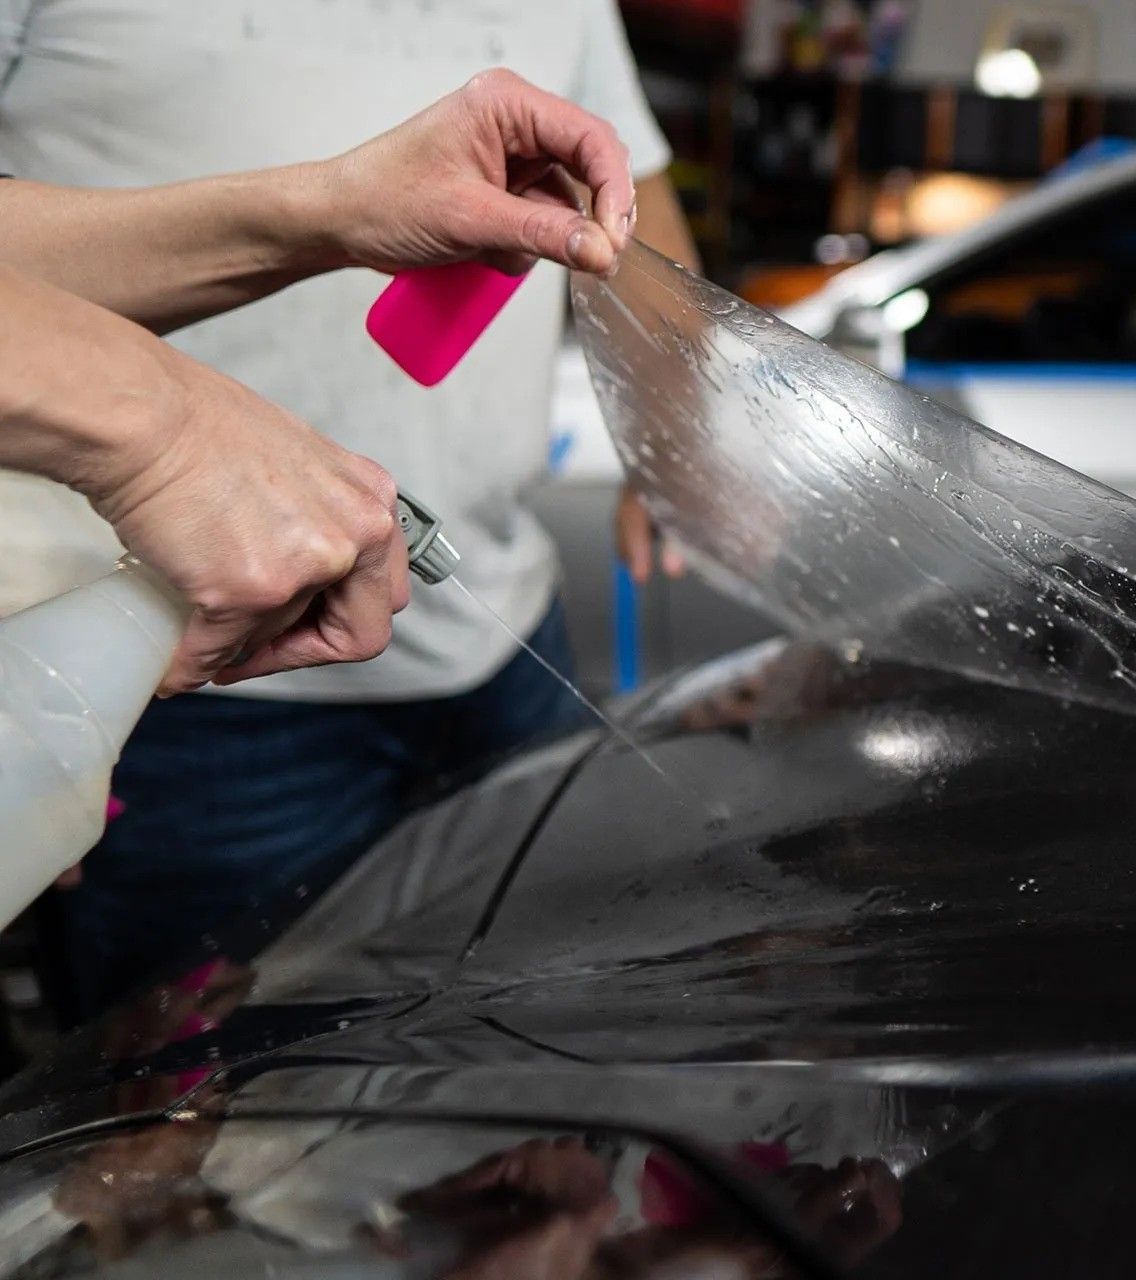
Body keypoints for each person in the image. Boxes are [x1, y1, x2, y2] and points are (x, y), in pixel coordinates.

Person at [0, 1, 698, 1017]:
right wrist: (166, 428)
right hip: (192, 687)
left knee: (514, 1079)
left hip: (504, 650)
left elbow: (634, 191)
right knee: (198, 1134)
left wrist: (667, 424)